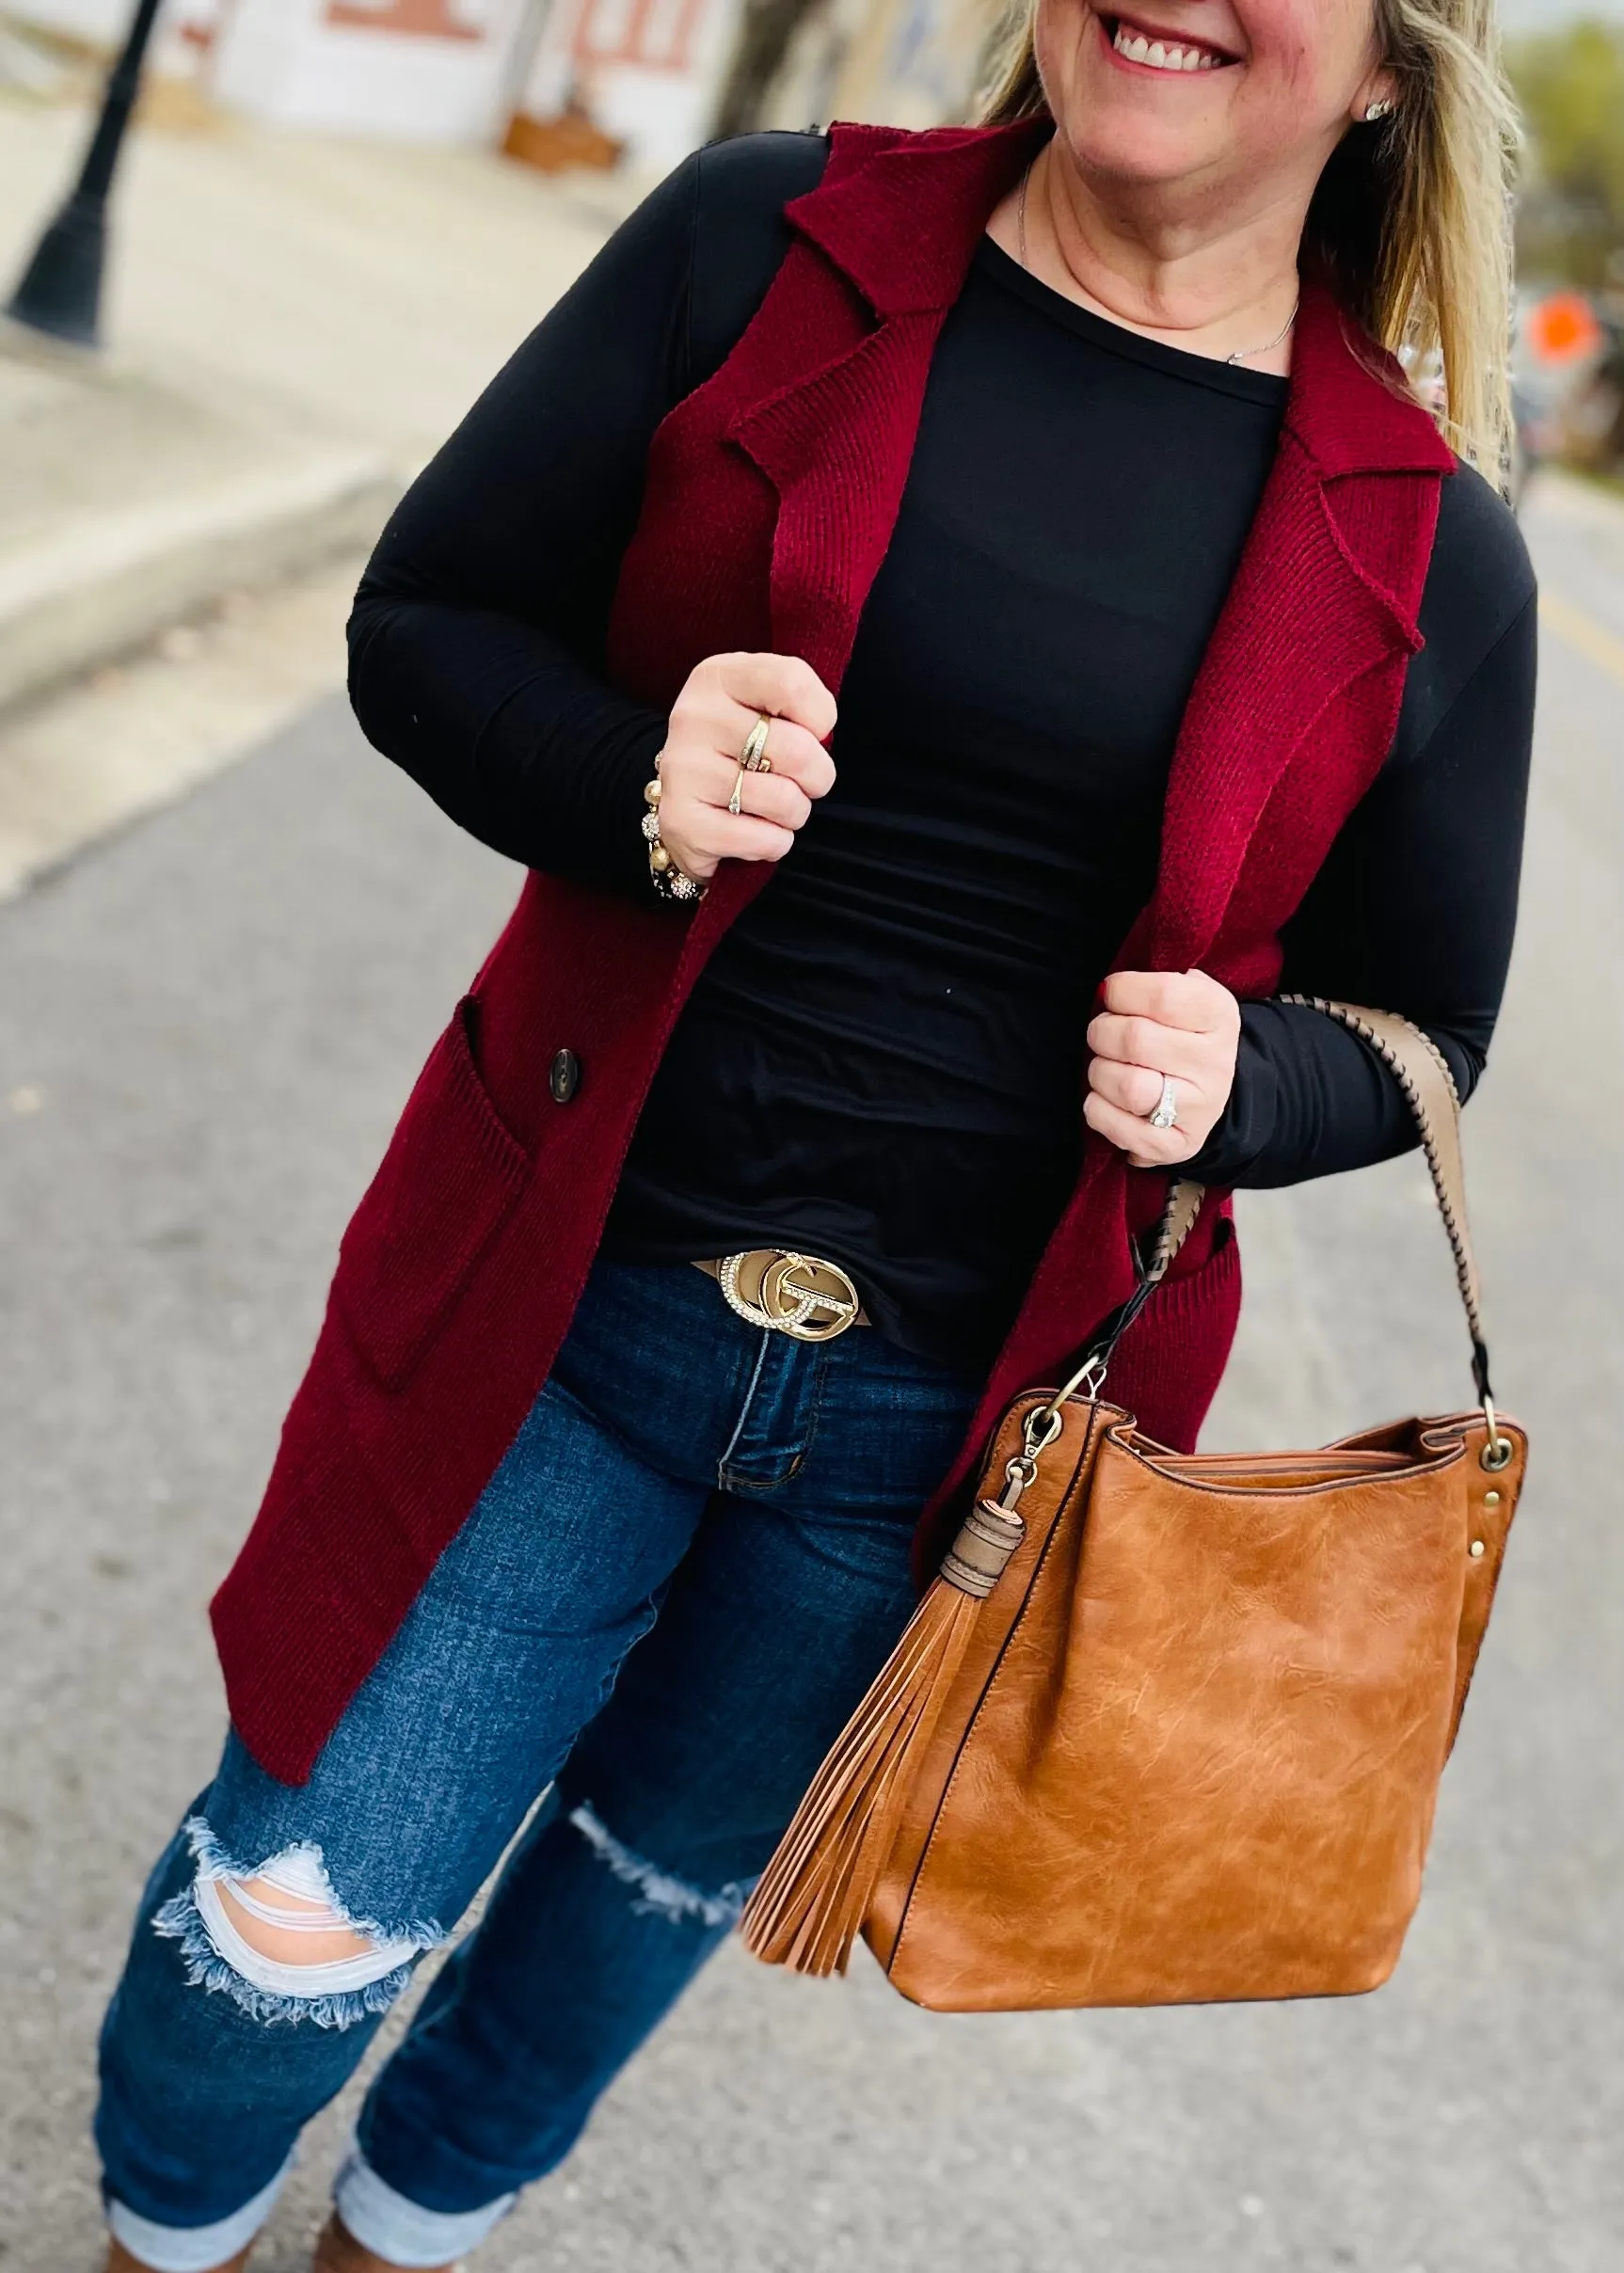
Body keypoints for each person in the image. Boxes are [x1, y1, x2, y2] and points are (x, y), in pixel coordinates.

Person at [96, 4, 1535, 2266]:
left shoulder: (1435, 551)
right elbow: (427, 620)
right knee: (289, 1917)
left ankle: (401, 2229)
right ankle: (161, 2228)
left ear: (1382, 69)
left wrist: (1242, 1082)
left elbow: (1426, 1019)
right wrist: (629, 776)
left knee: (613, 1932)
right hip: (567, 1314)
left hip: (950, 1444)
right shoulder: (760, 240)